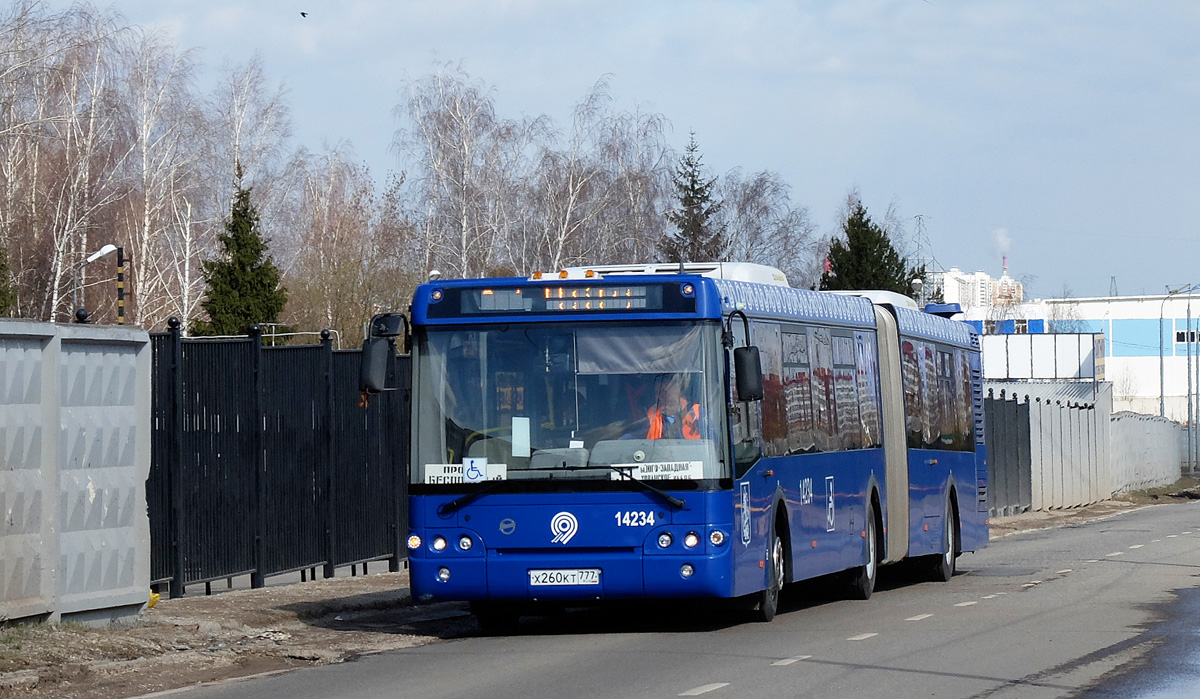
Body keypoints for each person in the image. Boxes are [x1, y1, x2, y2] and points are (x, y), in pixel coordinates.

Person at [645, 375, 702, 440]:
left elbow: (713, 442)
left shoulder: (697, 412)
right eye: (658, 392)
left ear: (679, 391)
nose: (661, 396)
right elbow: (634, 440)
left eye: (665, 392)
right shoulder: (649, 415)